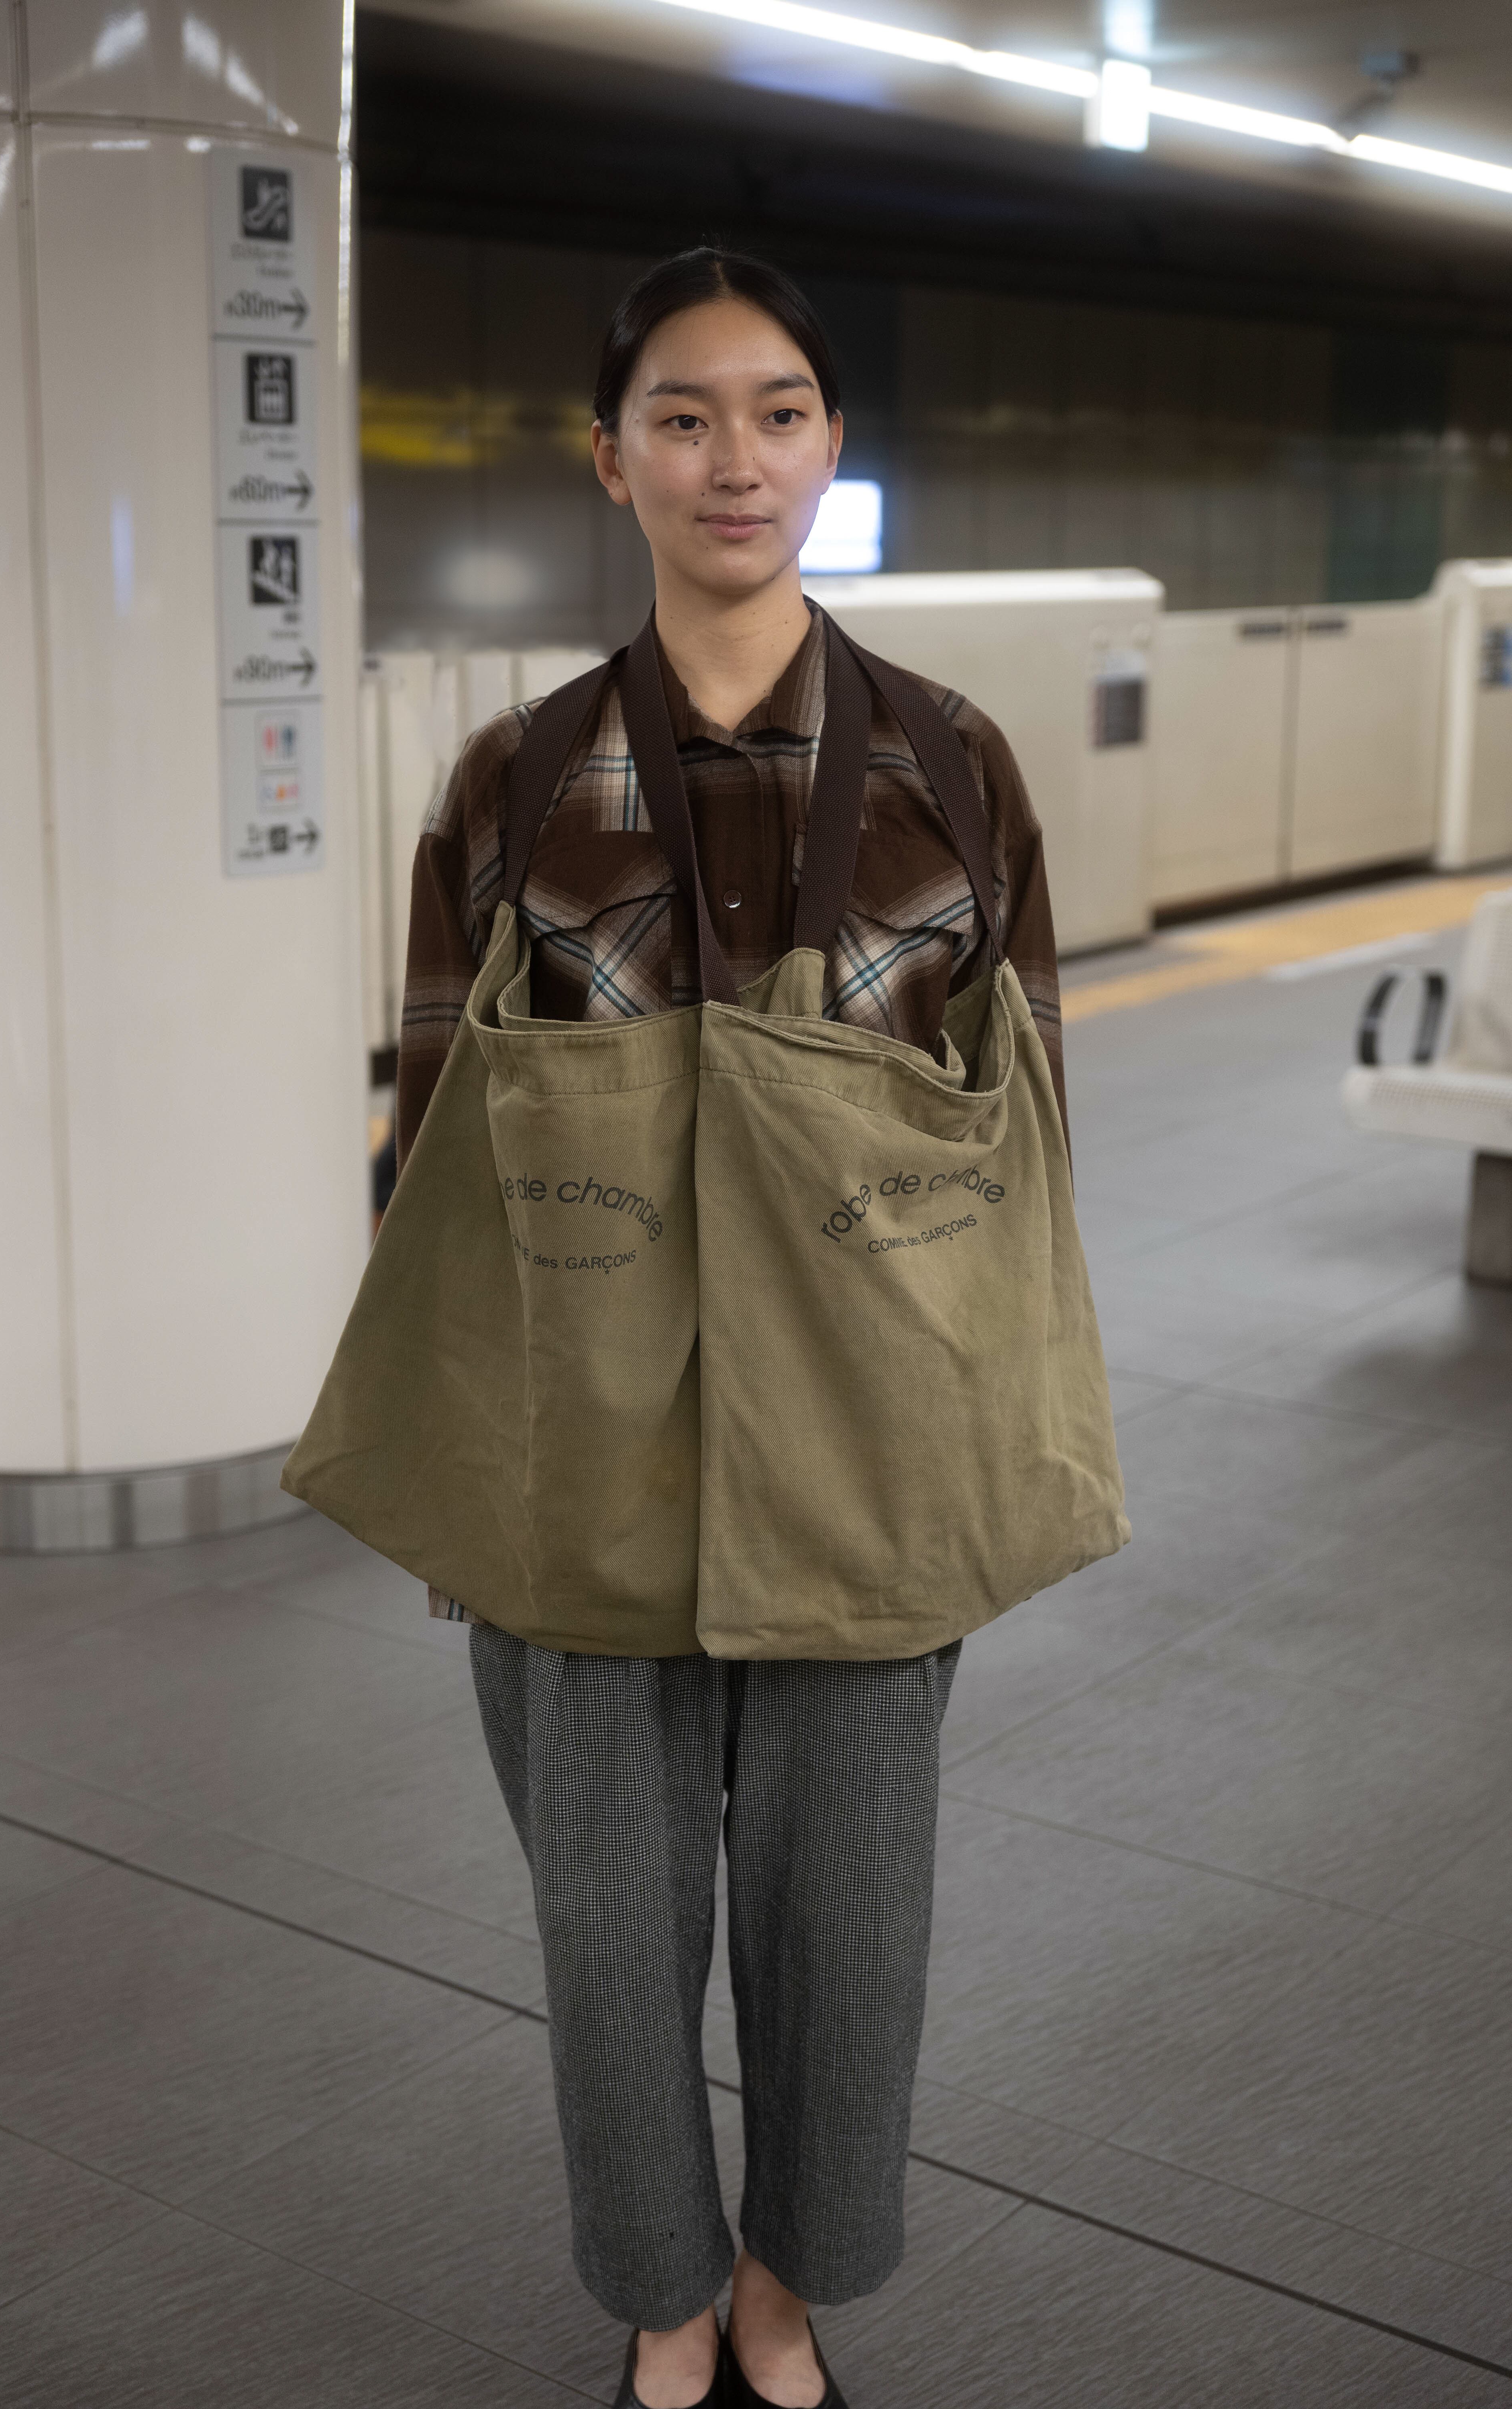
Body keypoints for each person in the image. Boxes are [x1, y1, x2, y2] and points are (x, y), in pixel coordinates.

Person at [391, 250, 1071, 2409]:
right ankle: (664, 2303)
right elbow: (436, 1157)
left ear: (832, 446)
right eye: (681, 417)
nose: (734, 458)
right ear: (613, 462)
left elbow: (1025, 1139)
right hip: (585, 1461)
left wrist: (996, 1433)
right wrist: (452, 1476)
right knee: (607, 1929)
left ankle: (787, 2293)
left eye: (779, 412)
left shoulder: (952, 767)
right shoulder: (516, 781)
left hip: (869, 1444)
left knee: (848, 1917)